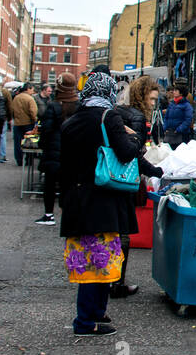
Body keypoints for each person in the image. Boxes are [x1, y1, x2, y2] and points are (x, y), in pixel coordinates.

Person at [58, 71, 160, 335]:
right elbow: (127, 154)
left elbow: (63, 167)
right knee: (100, 259)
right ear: (107, 92)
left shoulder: (71, 121)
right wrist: (134, 139)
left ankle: (96, 314)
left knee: (91, 259)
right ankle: (86, 321)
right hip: (102, 199)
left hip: (77, 200)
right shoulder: (109, 117)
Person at [109, 75, 161, 297]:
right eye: (151, 99)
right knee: (124, 234)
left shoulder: (117, 111)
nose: (153, 104)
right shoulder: (138, 118)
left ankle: (109, 279)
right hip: (126, 181)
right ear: (142, 97)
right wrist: (157, 171)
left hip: (111, 178)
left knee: (112, 232)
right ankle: (117, 283)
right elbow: (134, 154)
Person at [34, 84, 65, 226]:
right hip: (69, 150)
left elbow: (46, 129)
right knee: (68, 184)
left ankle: (49, 214)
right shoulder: (78, 106)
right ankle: (67, 216)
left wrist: (42, 145)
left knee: (50, 184)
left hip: (53, 148)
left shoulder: (53, 106)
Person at [10, 83, 38, 166]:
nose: (33, 91)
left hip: (17, 123)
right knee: (29, 143)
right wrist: (35, 121)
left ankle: (19, 160)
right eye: (32, 89)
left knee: (18, 143)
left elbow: (12, 110)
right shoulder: (30, 99)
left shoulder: (16, 98)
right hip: (28, 123)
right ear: (28, 89)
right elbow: (33, 112)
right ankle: (28, 161)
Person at [164, 83, 193, 148]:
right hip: (170, 134)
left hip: (181, 135)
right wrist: (165, 127)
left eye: (176, 91)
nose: (173, 92)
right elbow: (166, 117)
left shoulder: (186, 105)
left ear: (181, 93)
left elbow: (188, 120)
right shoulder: (172, 104)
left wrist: (178, 129)